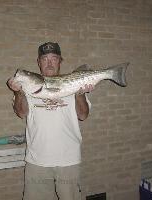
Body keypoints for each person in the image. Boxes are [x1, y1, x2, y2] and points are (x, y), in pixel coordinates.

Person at [7, 42, 93, 200]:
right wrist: (18, 93)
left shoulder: (73, 83)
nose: (49, 62)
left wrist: (79, 94)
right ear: (38, 62)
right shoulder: (26, 88)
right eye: (44, 59)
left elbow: (83, 116)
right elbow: (21, 113)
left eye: (54, 58)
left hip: (68, 159)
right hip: (37, 160)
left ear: (60, 61)